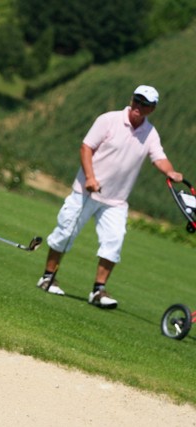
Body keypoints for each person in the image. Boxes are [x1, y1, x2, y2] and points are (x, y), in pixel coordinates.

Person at [36, 85, 182, 309]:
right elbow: (86, 148)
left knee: (114, 242)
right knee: (65, 232)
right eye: (137, 100)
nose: (138, 106)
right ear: (132, 99)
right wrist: (90, 177)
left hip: (116, 200)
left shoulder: (150, 133)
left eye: (144, 104)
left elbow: (159, 157)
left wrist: (170, 172)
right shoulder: (109, 120)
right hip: (87, 191)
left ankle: (98, 291)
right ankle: (48, 277)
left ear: (152, 109)